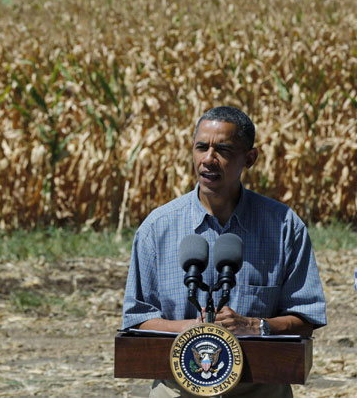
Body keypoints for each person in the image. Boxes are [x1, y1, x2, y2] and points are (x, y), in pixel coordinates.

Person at [121, 106, 327, 398]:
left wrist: (254, 325)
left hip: (259, 390)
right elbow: (137, 318)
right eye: (201, 147)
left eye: (224, 150)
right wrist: (194, 330)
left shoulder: (283, 226)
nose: (208, 159)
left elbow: (306, 317)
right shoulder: (157, 228)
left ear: (250, 158)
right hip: (176, 390)